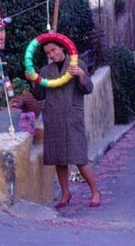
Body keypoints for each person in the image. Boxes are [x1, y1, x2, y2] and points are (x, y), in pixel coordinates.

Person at [29, 40, 102, 209]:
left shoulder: (77, 64)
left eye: (53, 50)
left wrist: (81, 75)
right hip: (53, 118)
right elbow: (40, 95)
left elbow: (88, 88)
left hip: (72, 117)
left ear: (62, 47)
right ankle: (65, 193)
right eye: (48, 53)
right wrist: (33, 80)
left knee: (80, 158)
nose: (51, 55)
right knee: (58, 158)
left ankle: (95, 191)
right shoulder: (46, 71)